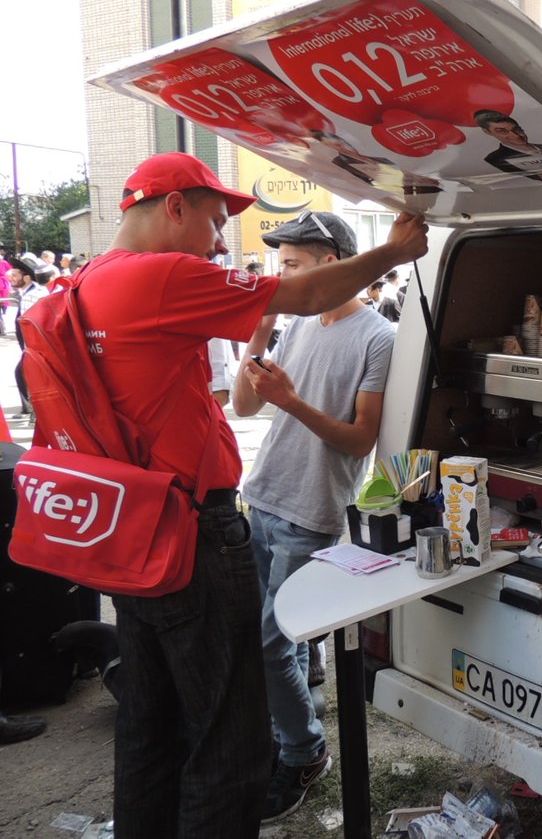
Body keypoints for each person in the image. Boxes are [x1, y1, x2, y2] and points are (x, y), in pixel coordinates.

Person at [49, 151, 426, 839]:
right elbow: (308, 299)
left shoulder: (93, 278)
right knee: (229, 733)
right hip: (190, 525)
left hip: (136, 525)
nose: (223, 243)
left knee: (152, 720)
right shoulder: (163, 275)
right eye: (217, 222)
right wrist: (397, 249)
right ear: (174, 207)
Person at [231, 210, 399, 822]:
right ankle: (294, 720)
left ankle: (302, 751)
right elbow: (244, 407)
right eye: (282, 268)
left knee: (270, 643)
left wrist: (292, 402)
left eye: (294, 267)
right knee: (279, 640)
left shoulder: (378, 338)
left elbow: (359, 441)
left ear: (331, 266)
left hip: (313, 509)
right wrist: (258, 332)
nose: (284, 279)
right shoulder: (295, 326)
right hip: (265, 493)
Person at [12, 253, 53, 420]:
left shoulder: (33, 295)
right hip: (30, 347)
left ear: (27, 277)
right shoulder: (29, 292)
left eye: (15, 275)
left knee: (33, 377)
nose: (12, 278)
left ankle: (37, 413)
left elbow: (31, 326)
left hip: (35, 347)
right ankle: (30, 410)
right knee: (21, 373)